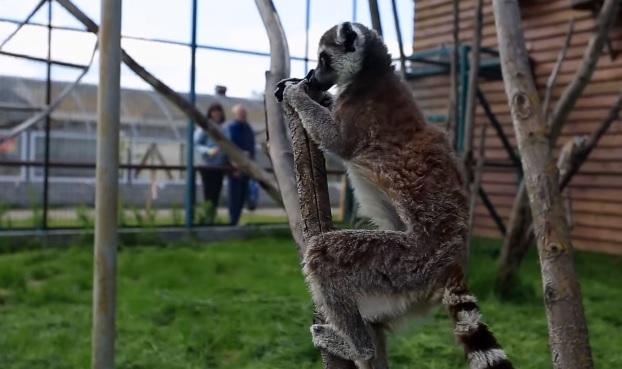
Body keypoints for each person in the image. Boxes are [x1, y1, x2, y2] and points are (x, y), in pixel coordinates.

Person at [194, 103, 226, 222]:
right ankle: (207, 217)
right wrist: (208, 151)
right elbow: (197, 144)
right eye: (214, 112)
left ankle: (211, 217)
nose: (217, 114)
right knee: (209, 192)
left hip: (219, 165)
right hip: (207, 165)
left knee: (216, 192)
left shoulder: (223, 128)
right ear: (210, 113)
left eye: (219, 111)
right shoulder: (204, 127)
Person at [225, 104, 255, 225]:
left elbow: (251, 146)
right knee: (234, 196)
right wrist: (234, 166)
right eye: (240, 113)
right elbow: (229, 147)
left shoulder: (248, 128)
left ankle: (236, 220)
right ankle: (233, 221)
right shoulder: (231, 128)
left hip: (246, 166)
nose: (243, 116)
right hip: (235, 167)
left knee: (242, 195)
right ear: (235, 115)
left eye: (244, 113)